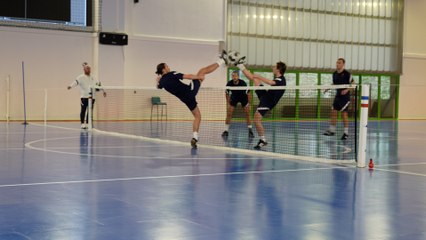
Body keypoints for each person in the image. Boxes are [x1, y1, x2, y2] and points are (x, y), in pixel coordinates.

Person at [156, 56, 227, 148]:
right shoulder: (172, 74)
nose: (169, 67)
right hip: (190, 91)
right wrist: (199, 77)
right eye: (167, 66)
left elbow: (158, 87)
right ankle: (222, 60)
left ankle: (195, 138)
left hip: (185, 99)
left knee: (198, 116)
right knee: (202, 71)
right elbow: (187, 76)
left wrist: (158, 81)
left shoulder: (162, 82)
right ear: (164, 69)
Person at [235, 59, 287, 149]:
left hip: (268, 102)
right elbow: (269, 82)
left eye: (275, 66)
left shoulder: (281, 79)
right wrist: (257, 77)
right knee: (254, 79)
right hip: (266, 95)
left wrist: (259, 76)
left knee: (256, 119)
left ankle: (263, 140)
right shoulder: (278, 78)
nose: (273, 67)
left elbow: (270, 82)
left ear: (278, 69)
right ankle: (240, 65)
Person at [67, 62, 106, 129]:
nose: (89, 70)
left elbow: (99, 84)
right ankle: (82, 123)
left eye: (89, 68)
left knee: (90, 111)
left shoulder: (94, 77)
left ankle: (88, 123)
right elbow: (75, 82)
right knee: (83, 110)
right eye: (87, 68)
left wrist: (103, 91)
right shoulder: (80, 77)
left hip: (92, 97)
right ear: (84, 69)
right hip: (84, 97)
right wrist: (70, 86)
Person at [323, 58, 353, 140]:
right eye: (337, 62)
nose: (337, 64)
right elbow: (334, 84)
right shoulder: (334, 74)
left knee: (344, 114)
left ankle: (346, 133)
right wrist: (328, 88)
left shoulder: (347, 74)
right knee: (333, 112)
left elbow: (353, 84)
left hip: (345, 97)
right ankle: (332, 131)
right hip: (338, 96)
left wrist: (347, 90)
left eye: (339, 63)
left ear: (343, 64)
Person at [222, 70, 254, 138]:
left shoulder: (243, 83)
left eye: (235, 76)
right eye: (233, 76)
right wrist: (228, 103)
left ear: (238, 76)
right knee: (229, 113)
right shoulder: (229, 83)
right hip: (234, 98)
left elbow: (248, 93)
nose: (234, 77)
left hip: (243, 98)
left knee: (247, 113)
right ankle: (226, 131)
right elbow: (227, 93)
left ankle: (250, 130)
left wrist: (249, 103)